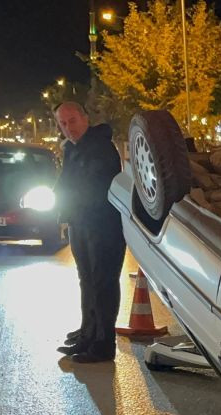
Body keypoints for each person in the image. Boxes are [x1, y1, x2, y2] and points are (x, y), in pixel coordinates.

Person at [54, 102, 127, 364]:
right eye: (62, 123)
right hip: (80, 223)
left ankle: (103, 343)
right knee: (87, 280)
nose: (68, 128)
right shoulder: (73, 149)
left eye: (72, 121)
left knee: (102, 282)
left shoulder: (100, 147)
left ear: (85, 119)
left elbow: (91, 185)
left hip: (102, 226)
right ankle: (88, 333)